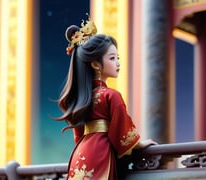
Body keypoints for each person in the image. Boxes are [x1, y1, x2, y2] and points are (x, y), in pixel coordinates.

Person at [55, 17, 157, 180]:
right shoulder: (111, 95)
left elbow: (78, 135)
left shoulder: (82, 98)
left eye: (118, 58)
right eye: (112, 58)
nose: (118, 63)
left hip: (80, 156)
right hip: (100, 155)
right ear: (95, 64)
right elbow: (121, 133)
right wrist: (139, 144)